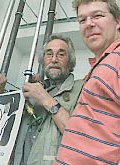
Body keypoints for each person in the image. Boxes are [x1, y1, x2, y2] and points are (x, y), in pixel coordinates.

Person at [55, 0, 120, 164]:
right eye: (82, 20)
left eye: (97, 16)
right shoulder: (104, 63)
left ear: (117, 21)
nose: (89, 24)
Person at [13, 34, 83, 165]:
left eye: (61, 54)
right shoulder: (34, 90)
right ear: (43, 60)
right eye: (49, 54)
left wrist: (45, 99)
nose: (54, 59)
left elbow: (80, 139)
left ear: (70, 61)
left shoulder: (83, 89)